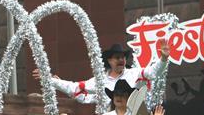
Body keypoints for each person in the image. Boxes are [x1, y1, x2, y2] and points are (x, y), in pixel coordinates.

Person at [35, 39, 169, 104]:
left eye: (123, 57)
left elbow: (153, 72)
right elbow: (75, 88)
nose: (121, 60)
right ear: (109, 61)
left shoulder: (134, 74)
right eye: (117, 58)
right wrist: (50, 80)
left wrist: (163, 58)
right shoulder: (100, 81)